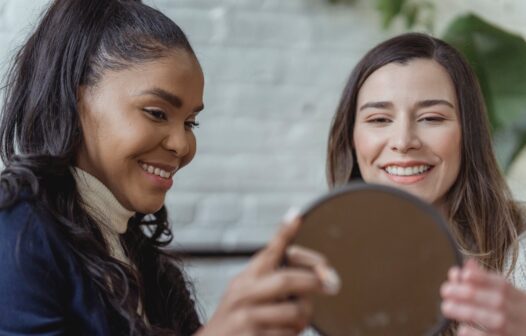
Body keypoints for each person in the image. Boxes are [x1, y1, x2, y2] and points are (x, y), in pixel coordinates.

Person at [0, 0, 340, 335]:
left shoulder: (145, 262)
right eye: (157, 113)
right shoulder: (16, 228)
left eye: (190, 122)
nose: (182, 145)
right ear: (76, 102)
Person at [326, 32, 526, 335]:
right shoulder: (326, 263)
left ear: (467, 134)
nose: (404, 141)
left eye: (431, 118)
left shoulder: (520, 251)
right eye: (379, 120)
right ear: (352, 138)